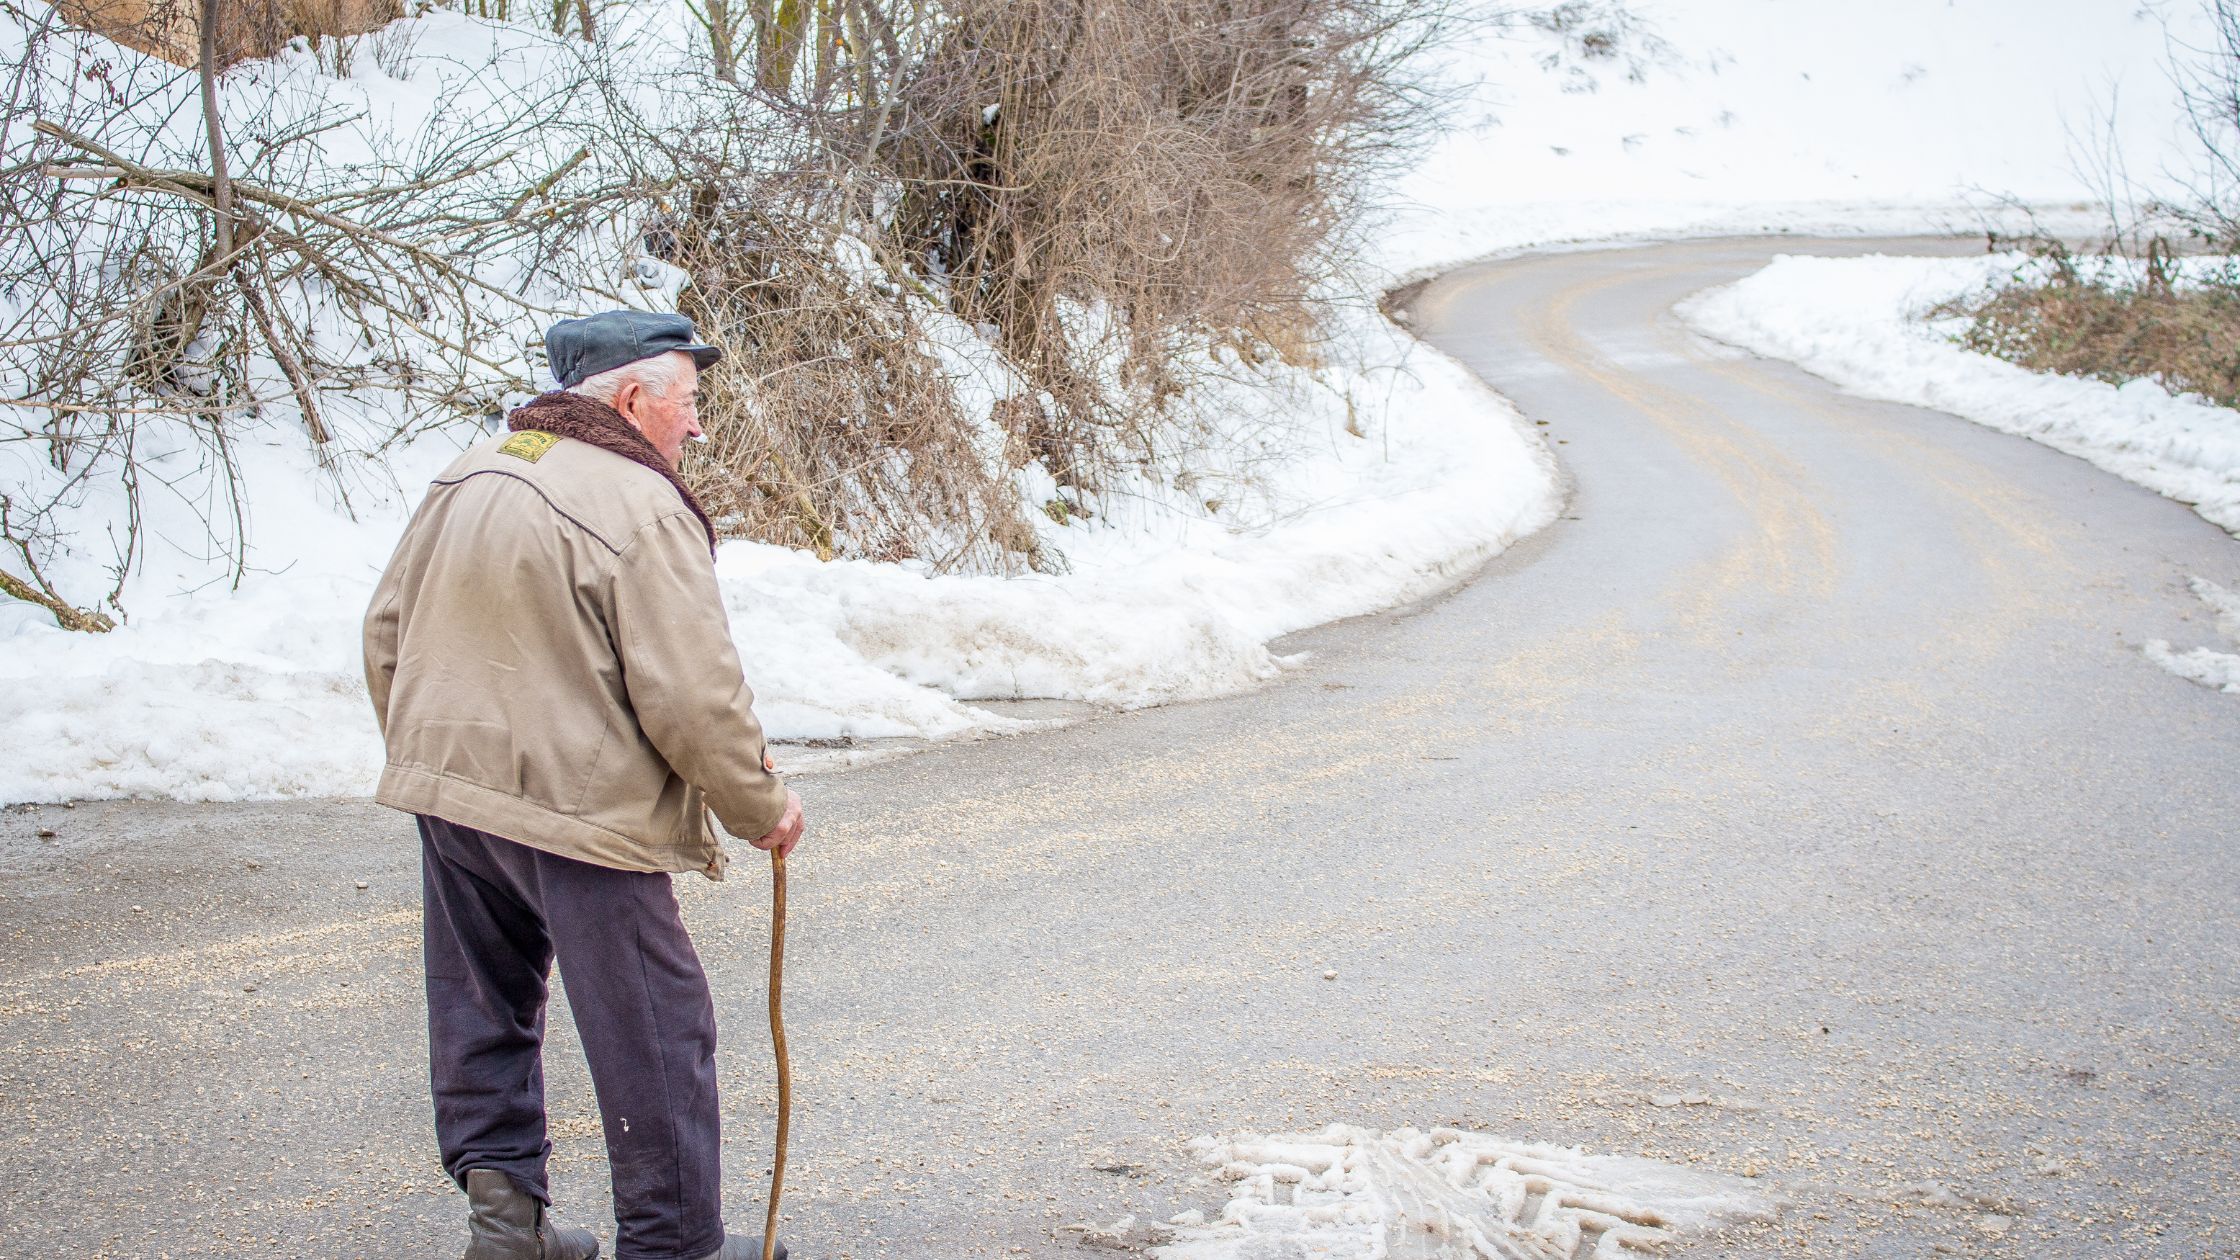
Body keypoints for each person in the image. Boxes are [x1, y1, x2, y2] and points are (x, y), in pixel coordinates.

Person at [363, 310, 802, 1260]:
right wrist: (760, 808)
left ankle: (505, 1228)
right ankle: (670, 1247)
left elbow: (385, 632)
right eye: (688, 403)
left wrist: (435, 754)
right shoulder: (641, 506)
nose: (695, 428)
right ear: (633, 397)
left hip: (452, 796)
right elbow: (694, 696)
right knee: (656, 1037)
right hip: (578, 815)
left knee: (483, 1009)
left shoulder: (471, 471)